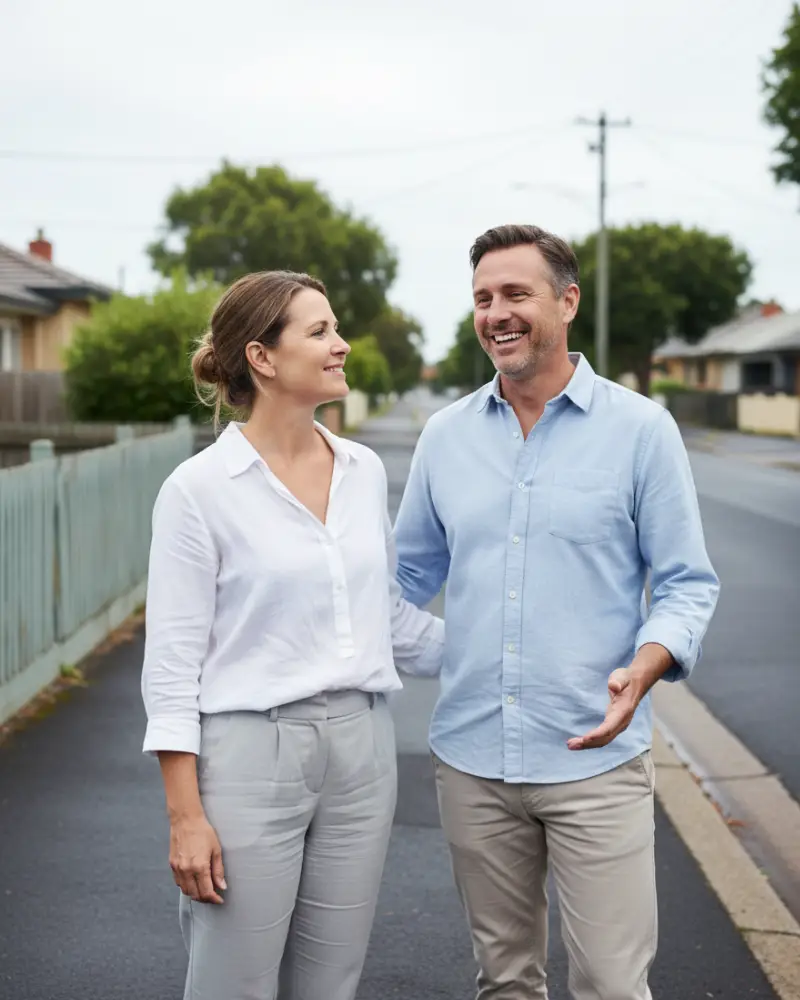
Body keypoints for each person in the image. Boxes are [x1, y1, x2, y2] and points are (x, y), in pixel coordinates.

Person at [393, 225, 720, 1000]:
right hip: (472, 761)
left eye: (515, 294)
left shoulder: (642, 431)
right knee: (505, 982)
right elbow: (400, 577)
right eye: (482, 298)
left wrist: (644, 670)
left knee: (611, 984)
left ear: (567, 301)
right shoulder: (444, 439)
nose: (495, 313)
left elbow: (686, 583)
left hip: (594, 761)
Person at [140, 270, 444, 1000]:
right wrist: (186, 817)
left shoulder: (364, 471)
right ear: (263, 358)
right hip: (250, 755)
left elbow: (387, 622)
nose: (341, 345)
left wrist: (510, 655)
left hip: (364, 753)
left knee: (329, 984)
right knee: (232, 983)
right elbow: (172, 668)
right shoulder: (199, 490)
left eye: (335, 329)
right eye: (320, 332)